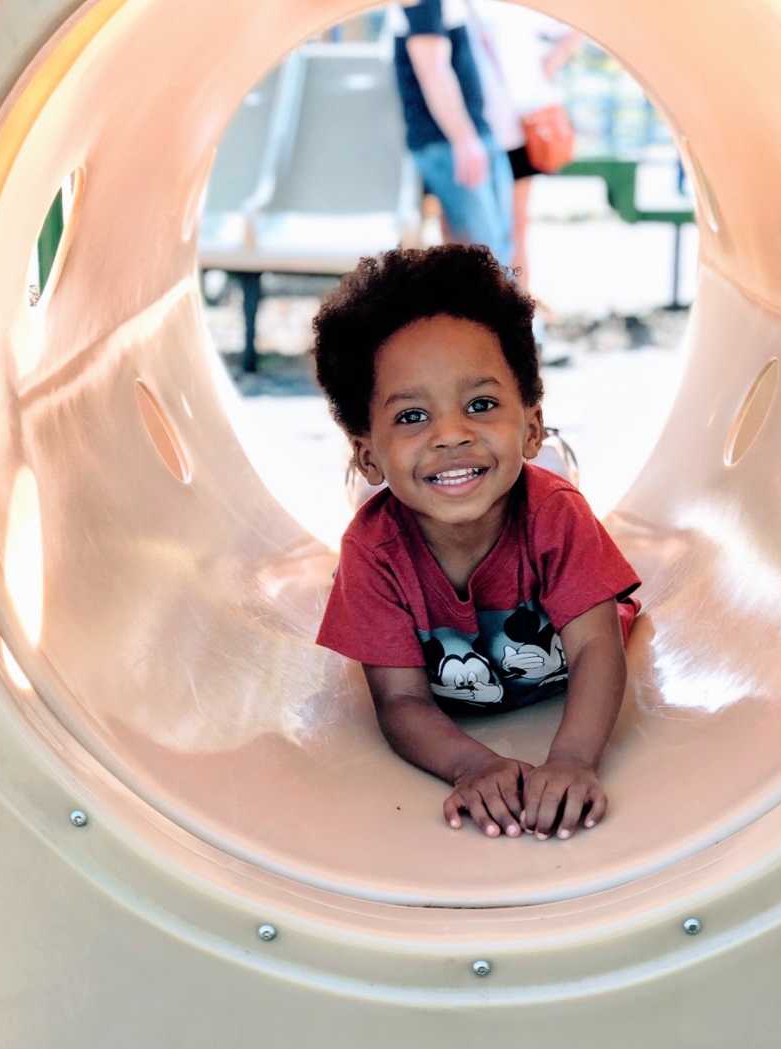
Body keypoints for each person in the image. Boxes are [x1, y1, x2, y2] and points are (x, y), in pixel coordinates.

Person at [314, 245, 640, 841]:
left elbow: (596, 650)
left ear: (531, 426)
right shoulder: (372, 552)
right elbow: (400, 701)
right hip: (468, 687)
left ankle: (541, 464)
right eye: (412, 417)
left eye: (481, 406)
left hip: (564, 647)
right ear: (367, 454)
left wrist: (572, 760)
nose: (452, 434)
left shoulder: (555, 515)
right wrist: (475, 766)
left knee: (570, 541)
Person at [390, 1, 513, 265]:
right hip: (447, 141)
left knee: (495, 251)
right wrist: (464, 139)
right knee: (485, 259)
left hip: (472, 134)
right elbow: (432, 67)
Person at [471, 2, 585, 288]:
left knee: (514, 226)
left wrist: (545, 67)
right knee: (479, 229)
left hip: (515, 126)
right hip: (478, 129)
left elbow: (577, 26)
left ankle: (516, 306)